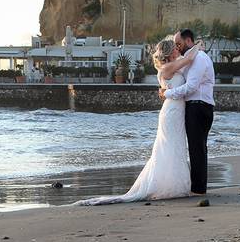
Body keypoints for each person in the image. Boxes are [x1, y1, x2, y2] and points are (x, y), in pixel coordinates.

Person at [75, 38, 199, 205]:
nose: (178, 49)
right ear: (170, 53)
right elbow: (190, 59)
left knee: (175, 146)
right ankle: (168, 186)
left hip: (176, 110)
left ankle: (174, 185)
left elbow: (186, 65)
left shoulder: (171, 66)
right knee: (169, 147)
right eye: (175, 48)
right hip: (171, 112)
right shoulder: (167, 68)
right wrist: (198, 45)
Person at [163, 29, 215, 195]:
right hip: (196, 105)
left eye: (179, 43)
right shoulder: (191, 58)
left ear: (187, 41)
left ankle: (199, 188)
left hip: (198, 106)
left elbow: (191, 87)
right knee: (197, 147)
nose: (177, 47)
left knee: (197, 147)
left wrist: (167, 93)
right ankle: (198, 185)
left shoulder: (199, 58)